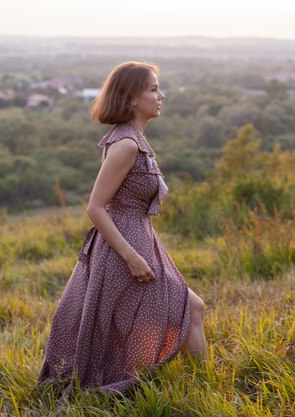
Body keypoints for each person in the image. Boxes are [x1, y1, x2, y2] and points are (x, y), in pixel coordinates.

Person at [37, 61, 207, 394]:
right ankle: (201, 387)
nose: (161, 95)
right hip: (123, 248)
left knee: (142, 318)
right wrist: (131, 257)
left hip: (137, 240)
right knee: (192, 307)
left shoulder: (132, 139)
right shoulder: (127, 145)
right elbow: (96, 207)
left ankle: (168, 382)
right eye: (153, 89)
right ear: (131, 98)